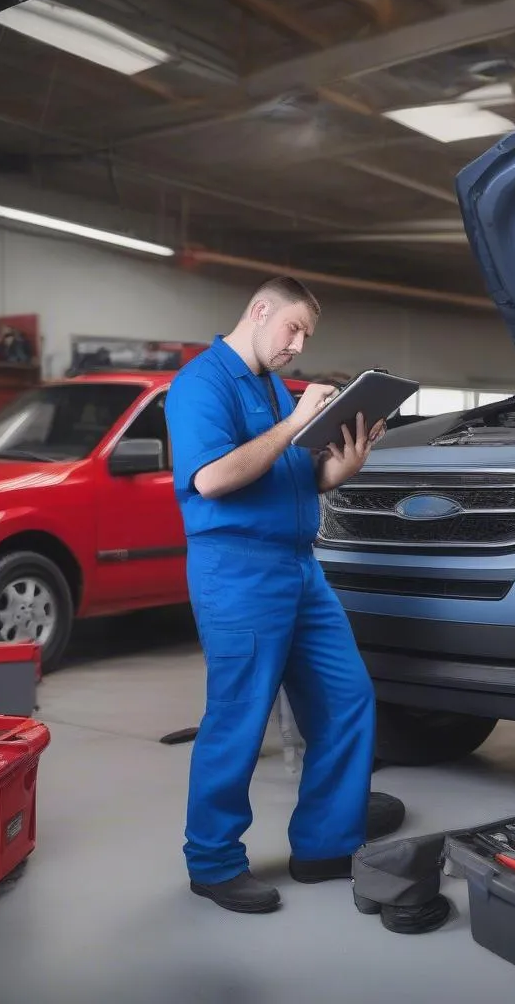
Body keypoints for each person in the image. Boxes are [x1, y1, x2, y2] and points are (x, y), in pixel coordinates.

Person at [165, 276, 398, 914]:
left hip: (299, 566)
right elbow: (212, 478)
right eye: (292, 328)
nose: (298, 344)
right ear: (259, 310)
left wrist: (337, 470)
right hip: (237, 570)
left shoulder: (272, 385)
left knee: (347, 697)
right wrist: (297, 420)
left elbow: (289, 475)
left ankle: (324, 845)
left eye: (307, 336)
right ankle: (213, 862)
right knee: (239, 716)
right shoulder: (200, 385)